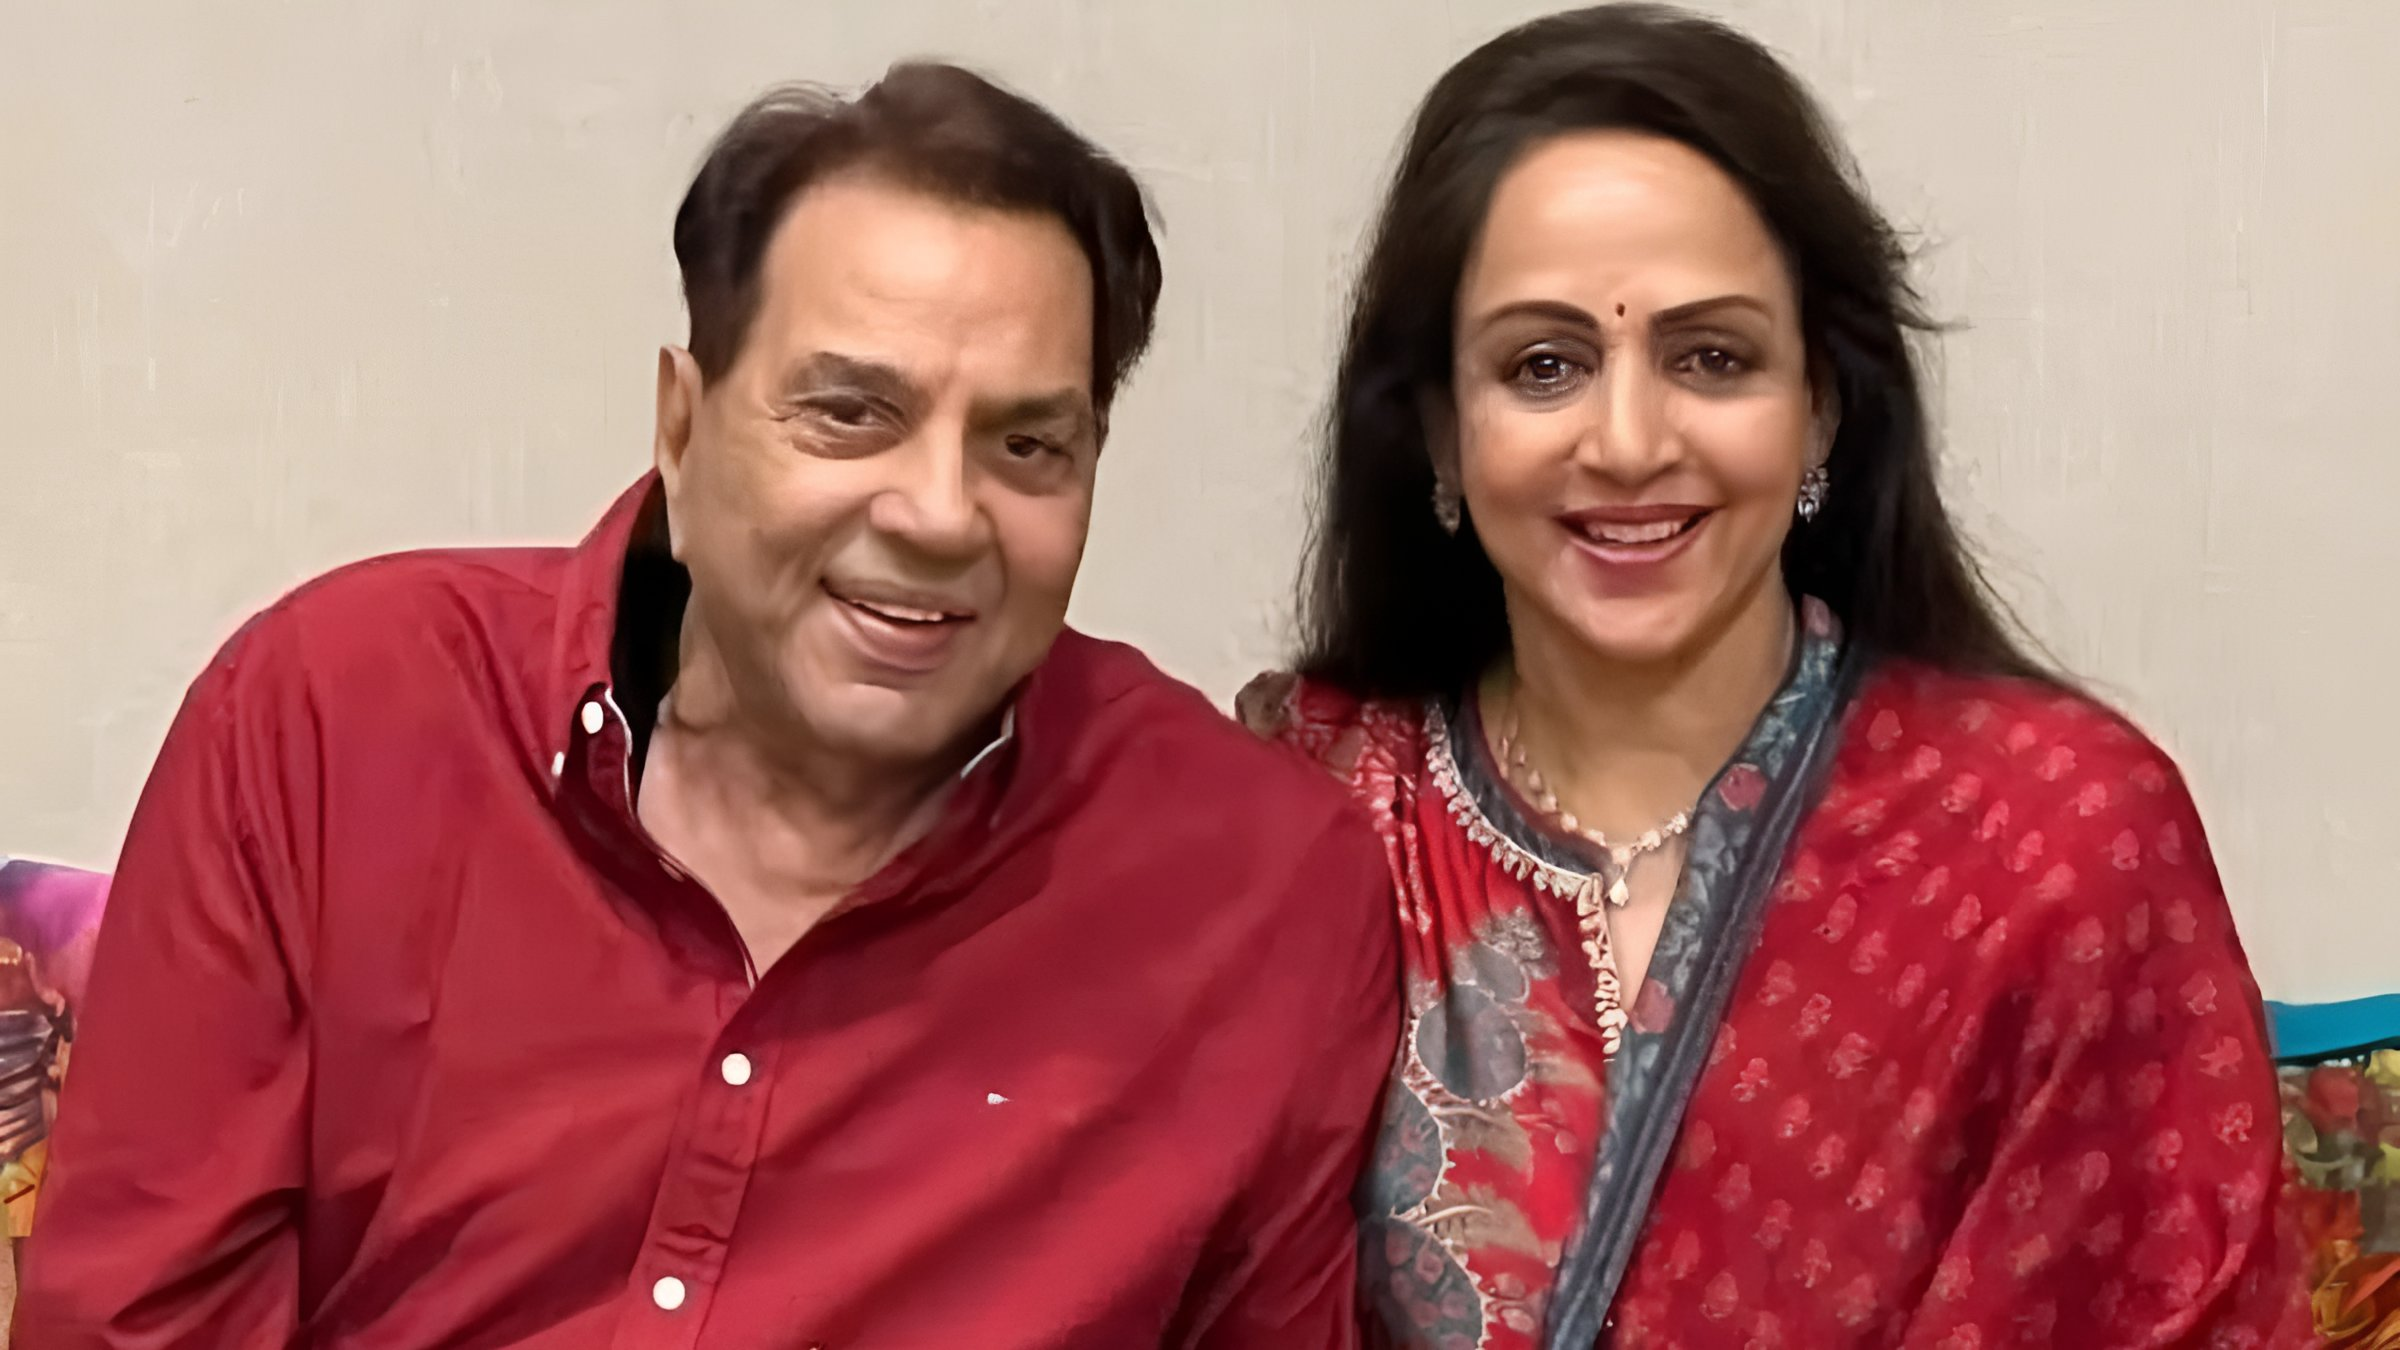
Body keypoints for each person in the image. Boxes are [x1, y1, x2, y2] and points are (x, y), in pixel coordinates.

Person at [19, 64, 1398, 1348]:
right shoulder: (336, 720)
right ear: (681, 425)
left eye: (1027, 444)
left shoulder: (1256, 893)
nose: (938, 514)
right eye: (851, 413)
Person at [1239, 6, 2309, 1346]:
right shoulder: (1320, 822)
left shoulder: (2053, 843)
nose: (1629, 441)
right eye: (1545, 365)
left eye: (1712, 358)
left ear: (1822, 410)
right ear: (1442, 438)